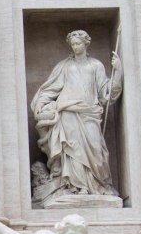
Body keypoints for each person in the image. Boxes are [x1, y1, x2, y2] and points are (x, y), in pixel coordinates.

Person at [31, 30, 122, 196]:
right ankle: (78, 187)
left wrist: (118, 72)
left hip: (89, 113)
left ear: (86, 44)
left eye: (78, 43)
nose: (75, 47)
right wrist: (40, 102)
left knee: (96, 149)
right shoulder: (64, 66)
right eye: (73, 44)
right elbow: (51, 88)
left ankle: (97, 185)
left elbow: (106, 94)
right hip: (68, 113)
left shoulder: (95, 65)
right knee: (73, 150)